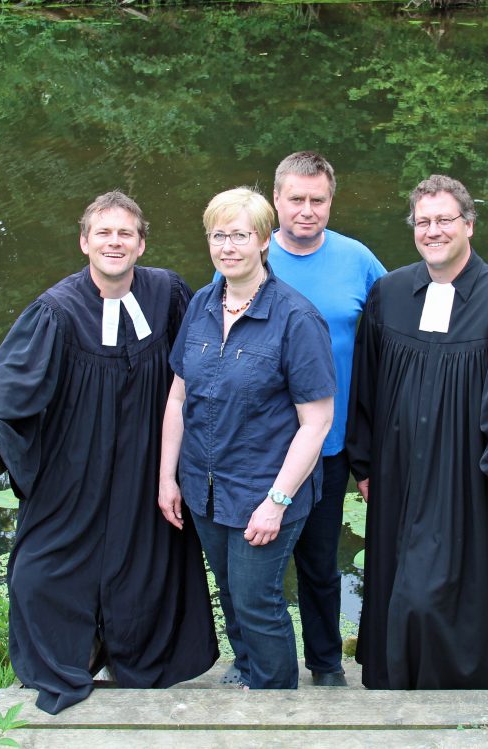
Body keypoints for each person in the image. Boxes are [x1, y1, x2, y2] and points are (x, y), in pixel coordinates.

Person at [0, 191, 218, 714]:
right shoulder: (56, 310)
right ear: (84, 242)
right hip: (75, 464)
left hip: (148, 463)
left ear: (142, 244)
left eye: (125, 234)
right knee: (43, 568)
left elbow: (199, 365)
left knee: (147, 564)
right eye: (103, 233)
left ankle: (143, 664)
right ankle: (63, 664)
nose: (114, 243)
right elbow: (12, 383)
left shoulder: (167, 293)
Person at [346, 174, 488, 691]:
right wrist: (364, 465)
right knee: (395, 582)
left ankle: (455, 695)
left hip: (460, 475)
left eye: (445, 220)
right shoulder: (390, 293)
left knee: (437, 592)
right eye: (424, 222)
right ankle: (392, 692)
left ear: (468, 224)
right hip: (395, 476)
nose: (434, 231)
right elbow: (365, 385)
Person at [159, 187, 335, 690]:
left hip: (265, 490)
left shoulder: (296, 318)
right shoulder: (201, 304)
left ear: (263, 241)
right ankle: (246, 671)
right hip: (205, 488)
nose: (228, 246)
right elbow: (178, 398)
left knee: (258, 601)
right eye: (219, 235)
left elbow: (316, 423)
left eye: (240, 235)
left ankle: (276, 701)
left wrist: (277, 502)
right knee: (233, 596)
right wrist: (167, 477)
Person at [267, 151, 386, 687]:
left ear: (331, 202)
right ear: (276, 201)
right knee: (257, 562)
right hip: (262, 443)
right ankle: (257, 659)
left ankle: (326, 664)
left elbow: (394, 334)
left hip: (330, 445)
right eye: (296, 199)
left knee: (319, 563)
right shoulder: (251, 252)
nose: (306, 210)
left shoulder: (358, 260)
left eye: (317, 200)